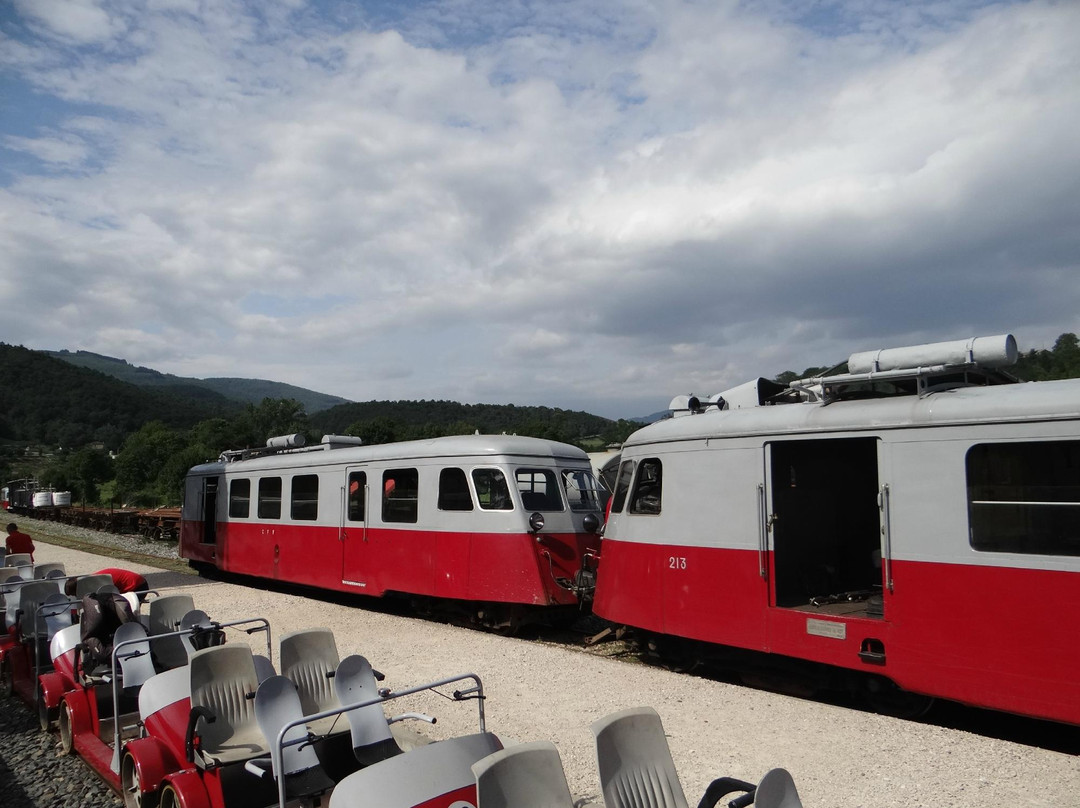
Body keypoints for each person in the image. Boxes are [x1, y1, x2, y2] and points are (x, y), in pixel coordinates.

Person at [65, 567, 149, 601]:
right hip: (136, 582)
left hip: (138, 586)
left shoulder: (97, 583)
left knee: (127, 610)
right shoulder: (90, 580)